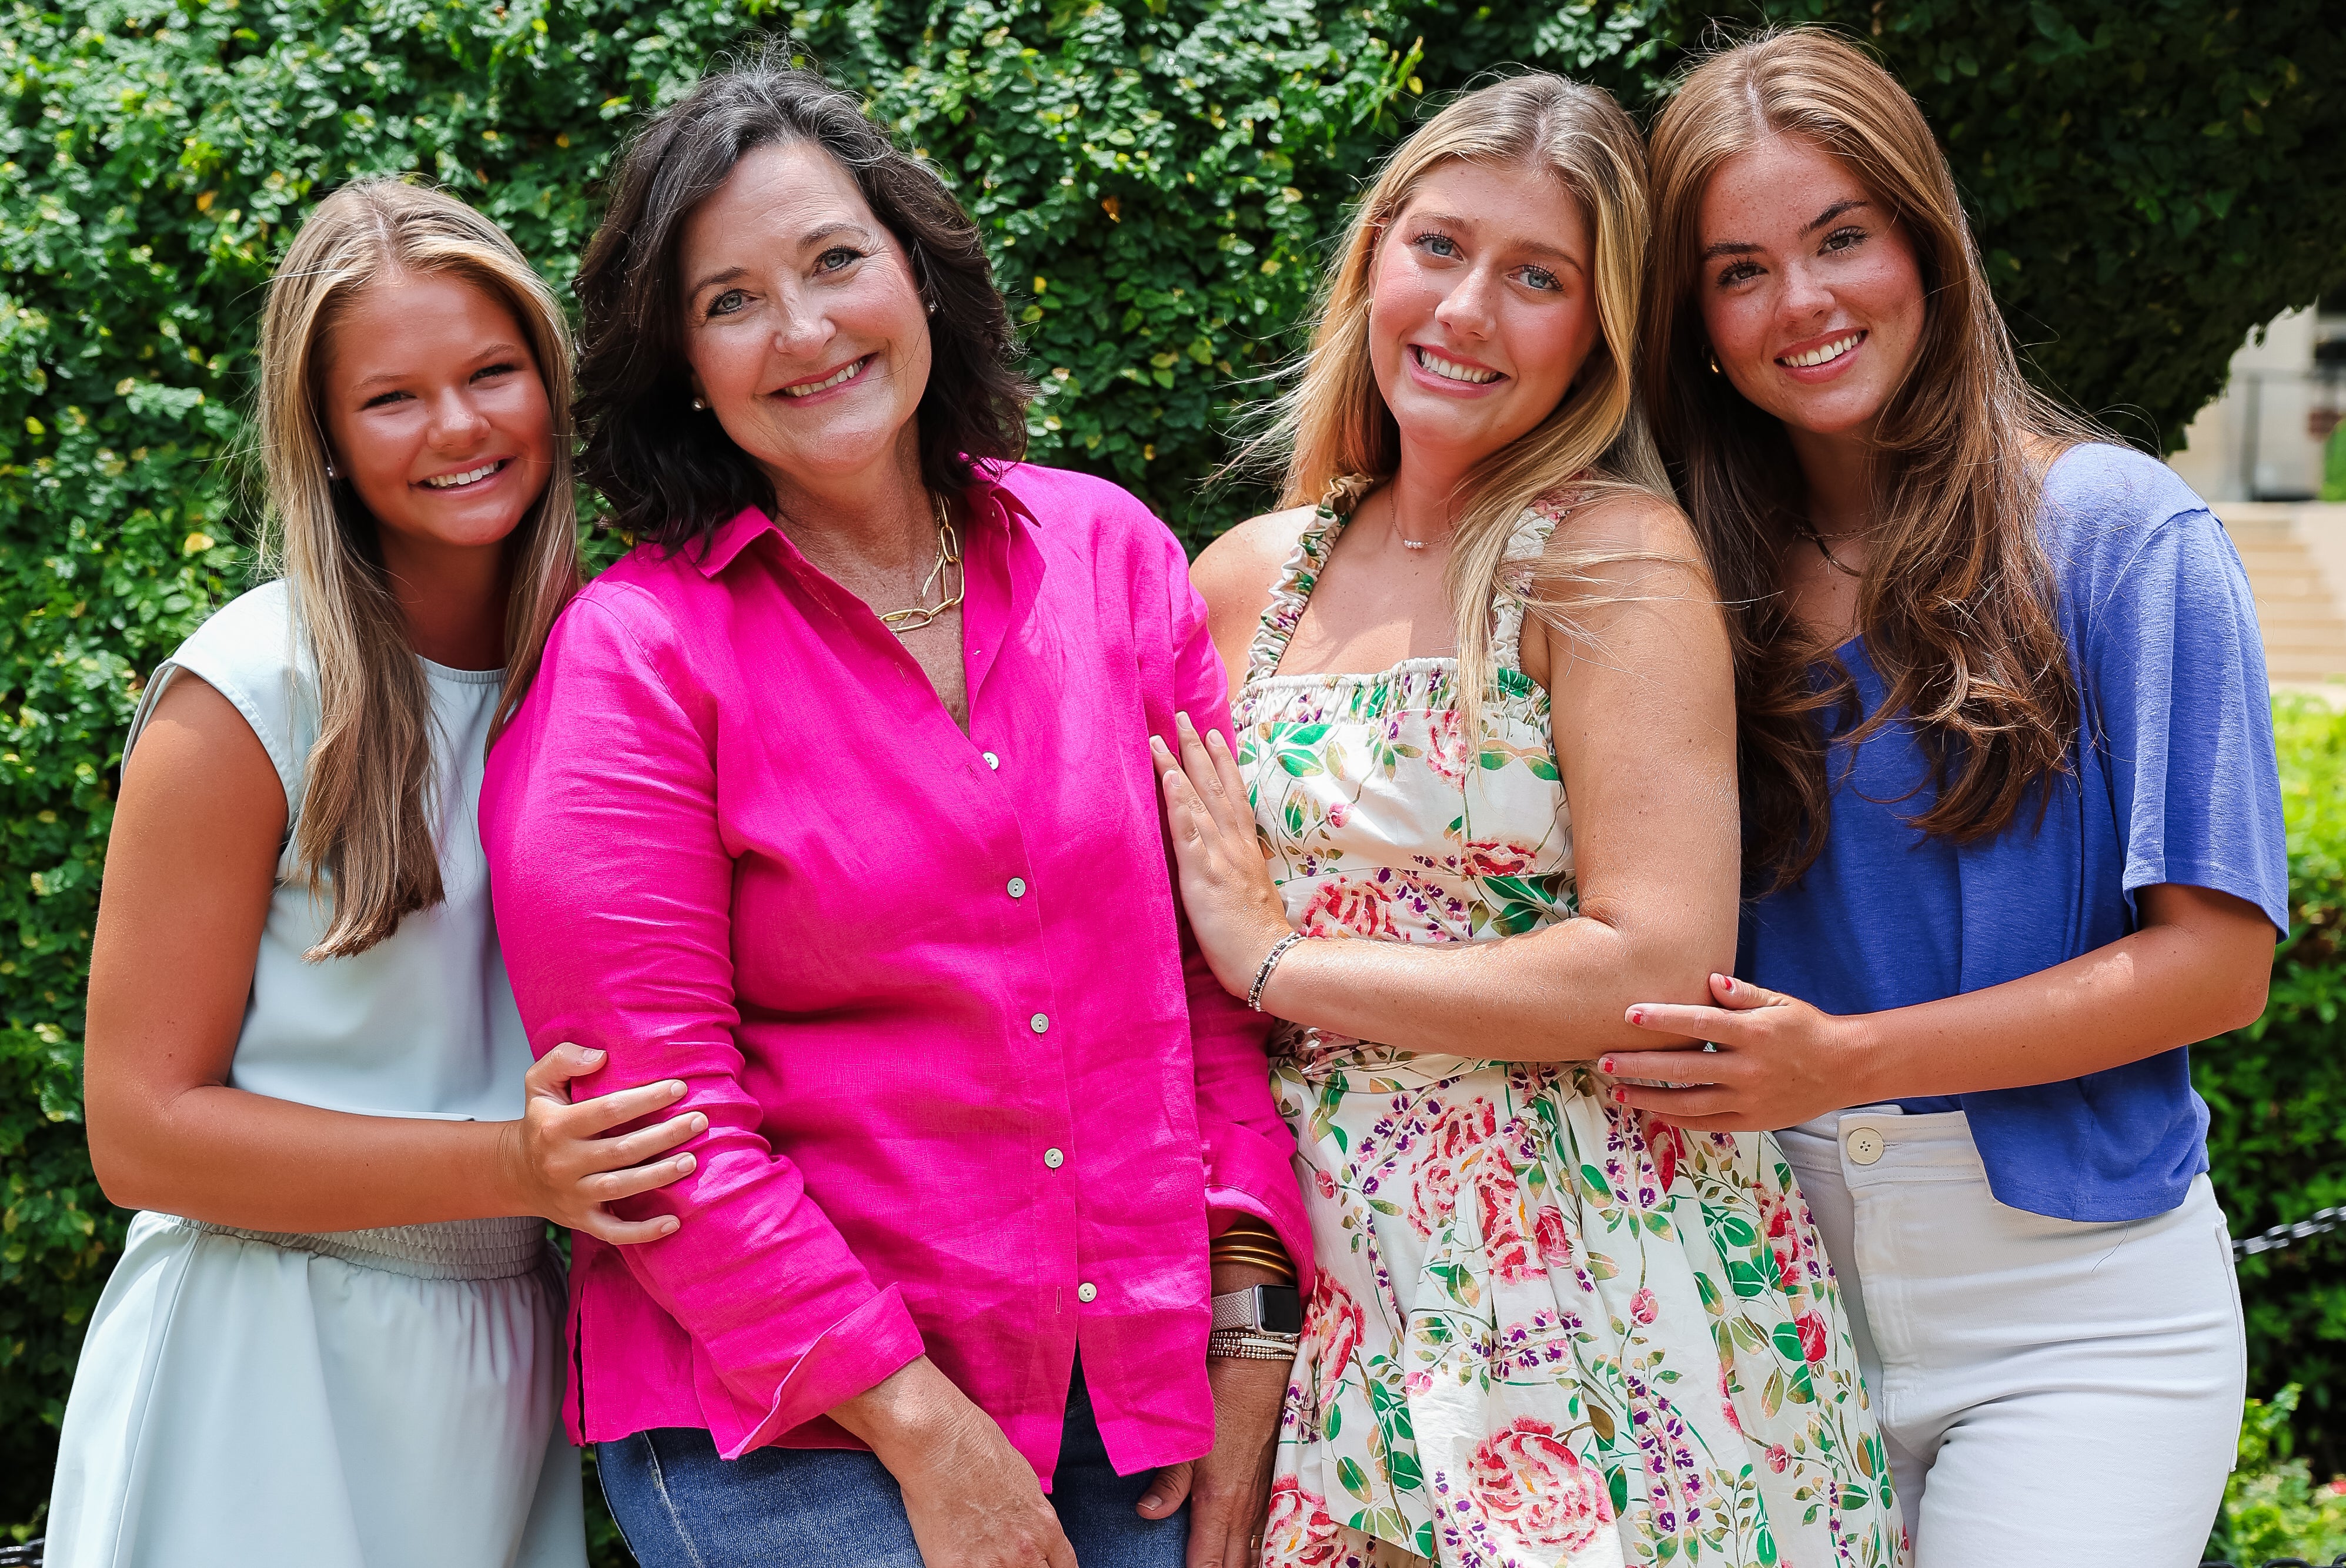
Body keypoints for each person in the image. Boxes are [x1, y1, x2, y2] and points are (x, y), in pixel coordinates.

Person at [476, 54, 1314, 1568]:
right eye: (729, 301)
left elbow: (1214, 993)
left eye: (833, 260)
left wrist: (1251, 1330)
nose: (801, 331)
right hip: (792, 1424)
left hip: (1132, 1400)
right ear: (679, 360)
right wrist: (921, 1426)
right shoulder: (638, 655)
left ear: (918, 274)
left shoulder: (1112, 557)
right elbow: (654, 1132)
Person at [1150, 73, 1904, 1568]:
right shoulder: (1244, 575)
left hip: (1591, 1266)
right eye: (1438, 248)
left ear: (1597, 331)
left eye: (1537, 277)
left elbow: (1649, 958)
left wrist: (1277, 960)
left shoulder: (1607, 560)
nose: (1468, 310)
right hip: (1328, 1281)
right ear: (1373, 258)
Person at [1612, 29, 2283, 1565]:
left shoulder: (2122, 535)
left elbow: (2218, 963)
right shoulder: (1676, 585)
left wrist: (1839, 1062)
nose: (1805, 301)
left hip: (2078, 1317)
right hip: (1752, 1291)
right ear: (1696, 323)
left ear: (1927, 240)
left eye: (1842, 236)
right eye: (1740, 268)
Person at [44, 179, 702, 1568]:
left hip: (503, 1355)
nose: (459, 428)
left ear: (550, 380)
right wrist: (516, 1165)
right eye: (393, 398)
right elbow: (138, 1129)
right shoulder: (252, 690)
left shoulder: (619, 664)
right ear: (328, 440)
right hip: (263, 1351)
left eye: (490, 373)